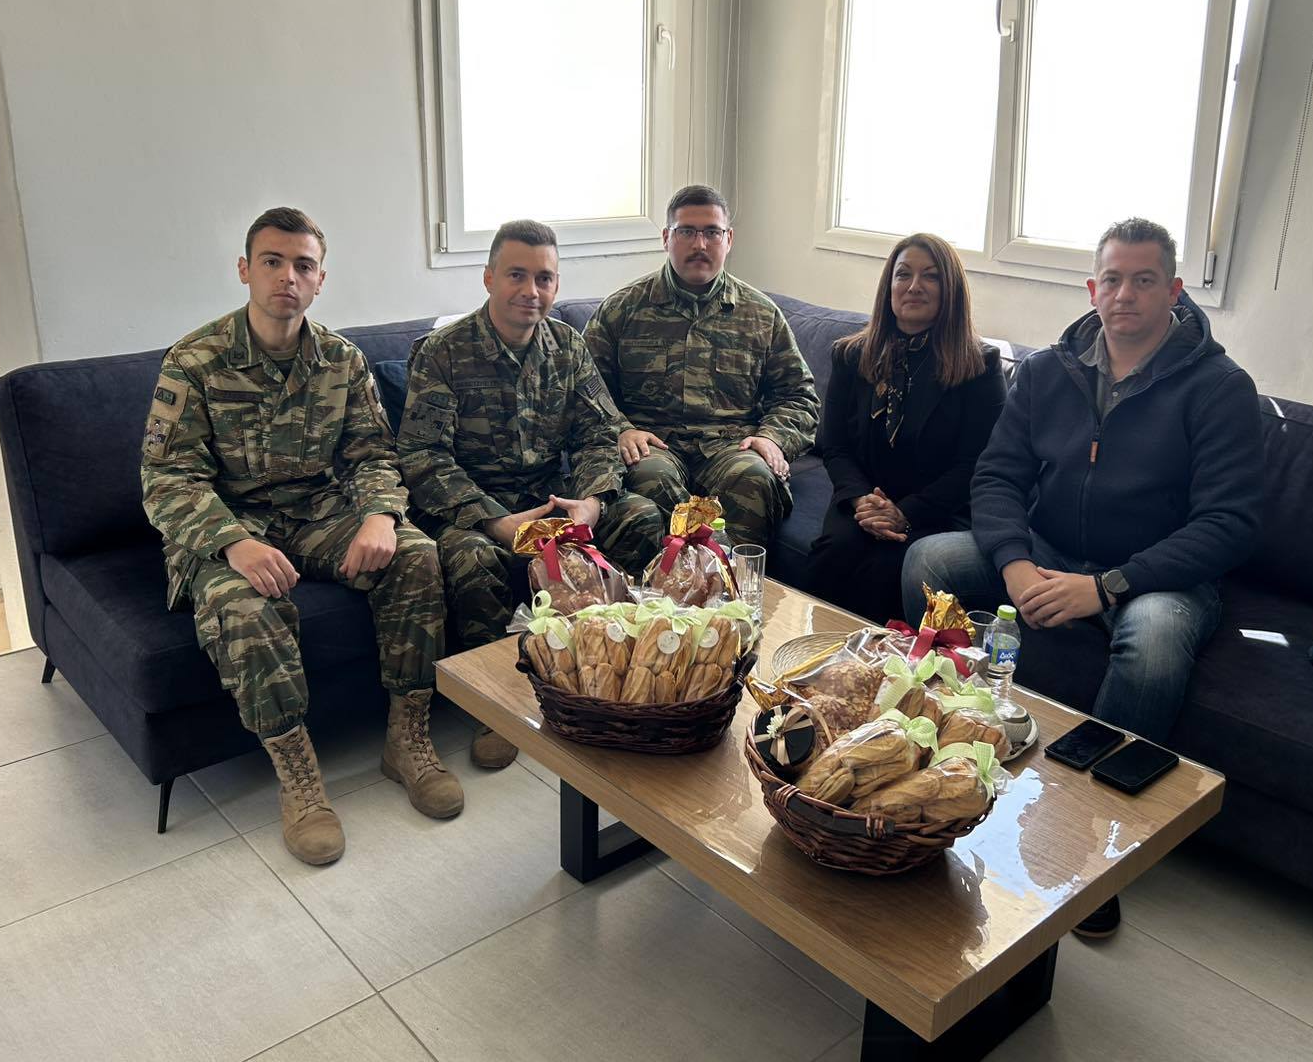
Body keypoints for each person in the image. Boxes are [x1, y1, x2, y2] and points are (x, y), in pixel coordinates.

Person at [901, 216, 1263, 937]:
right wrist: (1015, 564)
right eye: (1113, 280)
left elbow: (1229, 525)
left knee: (1153, 645)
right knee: (929, 562)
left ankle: (1094, 842)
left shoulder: (1221, 388)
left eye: (1144, 280)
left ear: (1175, 291)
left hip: (1159, 575)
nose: (1126, 295)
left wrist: (1105, 589)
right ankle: (947, 746)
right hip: (1048, 550)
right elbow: (997, 476)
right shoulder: (1047, 371)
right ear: (1093, 290)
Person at [142, 207, 454, 869]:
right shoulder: (195, 361)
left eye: (303, 265)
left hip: (318, 513)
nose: (288, 276)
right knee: (245, 608)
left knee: (417, 555)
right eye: (273, 262)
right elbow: (167, 479)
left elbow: (374, 455)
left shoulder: (341, 360)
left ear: (320, 280)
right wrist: (233, 543)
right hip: (229, 526)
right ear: (245, 270)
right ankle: (299, 779)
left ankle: (408, 739)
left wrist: (380, 516)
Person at [397, 218, 664, 766]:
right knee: (471, 558)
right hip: (474, 508)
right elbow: (423, 458)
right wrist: (496, 521)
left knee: (639, 514)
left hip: (551, 499)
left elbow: (598, 435)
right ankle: (496, 703)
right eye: (516, 275)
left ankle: (608, 665)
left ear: (556, 284)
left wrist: (592, 503)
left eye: (544, 278)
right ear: (489, 277)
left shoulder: (567, 346)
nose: (531, 290)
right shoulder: (444, 352)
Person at [582, 184, 819, 547]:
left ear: (729, 239)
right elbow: (585, 391)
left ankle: (730, 580)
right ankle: (668, 581)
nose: (700, 244)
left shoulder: (760, 314)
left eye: (712, 232)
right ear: (666, 238)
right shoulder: (622, 310)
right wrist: (622, 430)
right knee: (649, 478)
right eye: (687, 232)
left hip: (731, 446)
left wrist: (772, 438)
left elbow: (799, 396)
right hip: (653, 444)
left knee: (755, 476)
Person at [807, 233, 1006, 624]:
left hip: (935, 509)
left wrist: (905, 512)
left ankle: (878, 662)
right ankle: (807, 652)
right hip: (862, 499)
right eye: (903, 274)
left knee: (885, 570)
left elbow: (974, 466)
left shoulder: (979, 366)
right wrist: (863, 501)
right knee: (834, 552)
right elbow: (835, 446)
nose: (914, 286)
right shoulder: (850, 355)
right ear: (889, 285)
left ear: (950, 289)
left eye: (930, 276)